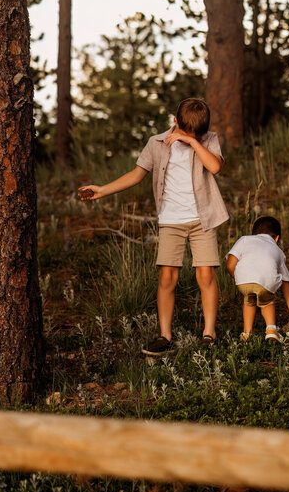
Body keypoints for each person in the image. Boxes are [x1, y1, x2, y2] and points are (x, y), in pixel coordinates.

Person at [79, 97, 229, 357]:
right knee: (167, 277)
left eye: (196, 134)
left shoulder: (207, 139)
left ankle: (209, 334)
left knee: (205, 276)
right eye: (186, 131)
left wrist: (192, 141)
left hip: (202, 219)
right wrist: (102, 190)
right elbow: (137, 175)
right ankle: (165, 336)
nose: (191, 136)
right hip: (171, 220)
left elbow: (215, 166)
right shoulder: (156, 143)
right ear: (175, 121)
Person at [224, 215, 289, 342]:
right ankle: (271, 330)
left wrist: (239, 278)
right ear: (276, 238)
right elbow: (287, 288)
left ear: (254, 234)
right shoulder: (278, 251)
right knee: (267, 301)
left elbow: (230, 265)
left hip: (243, 280)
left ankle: (247, 334)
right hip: (266, 282)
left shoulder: (244, 239)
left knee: (249, 300)